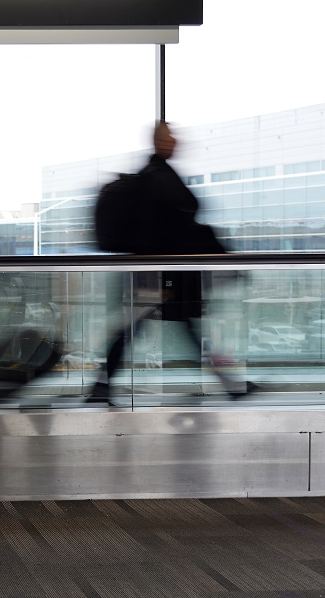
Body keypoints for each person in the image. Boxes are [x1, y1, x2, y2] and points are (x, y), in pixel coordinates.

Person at [87, 121, 258, 405]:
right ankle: (231, 385)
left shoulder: (154, 175)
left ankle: (102, 385)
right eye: (169, 137)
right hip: (162, 274)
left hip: (155, 272)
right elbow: (177, 227)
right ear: (158, 142)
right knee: (178, 329)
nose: (175, 141)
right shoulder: (158, 177)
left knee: (153, 329)